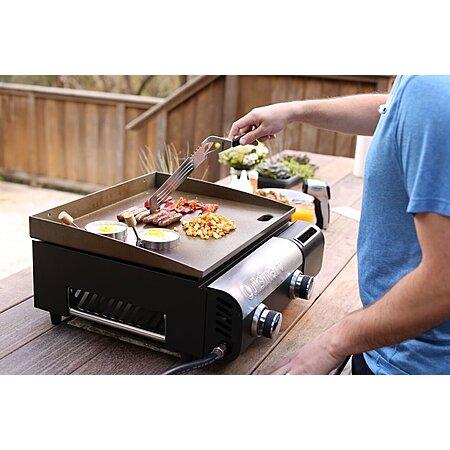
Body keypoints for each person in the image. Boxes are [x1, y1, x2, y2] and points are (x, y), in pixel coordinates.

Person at [228, 76, 450, 375]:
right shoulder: (425, 87)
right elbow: (393, 110)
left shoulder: (433, 85)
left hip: (410, 361)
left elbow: (442, 285)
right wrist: (294, 111)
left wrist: (331, 344)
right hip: (391, 340)